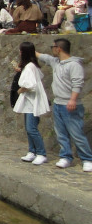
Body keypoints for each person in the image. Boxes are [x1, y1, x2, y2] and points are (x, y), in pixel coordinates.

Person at [36, 39, 92, 170]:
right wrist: (30, 51)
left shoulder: (74, 65)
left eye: (53, 47)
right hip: (58, 103)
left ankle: (87, 158)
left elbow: (77, 83)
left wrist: (73, 100)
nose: (52, 49)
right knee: (61, 133)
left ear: (59, 48)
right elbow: (44, 57)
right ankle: (66, 156)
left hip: (70, 104)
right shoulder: (56, 62)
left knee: (76, 133)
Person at [13, 41, 50, 165]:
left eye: (21, 50)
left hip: (33, 101)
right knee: (29, 129)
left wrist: (20, 90)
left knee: (32, 128)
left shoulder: (30, 67)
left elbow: (30, 85)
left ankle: (41, 153)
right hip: (29, 101)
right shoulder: (30, 66)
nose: (20, 52)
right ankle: (32, 151)